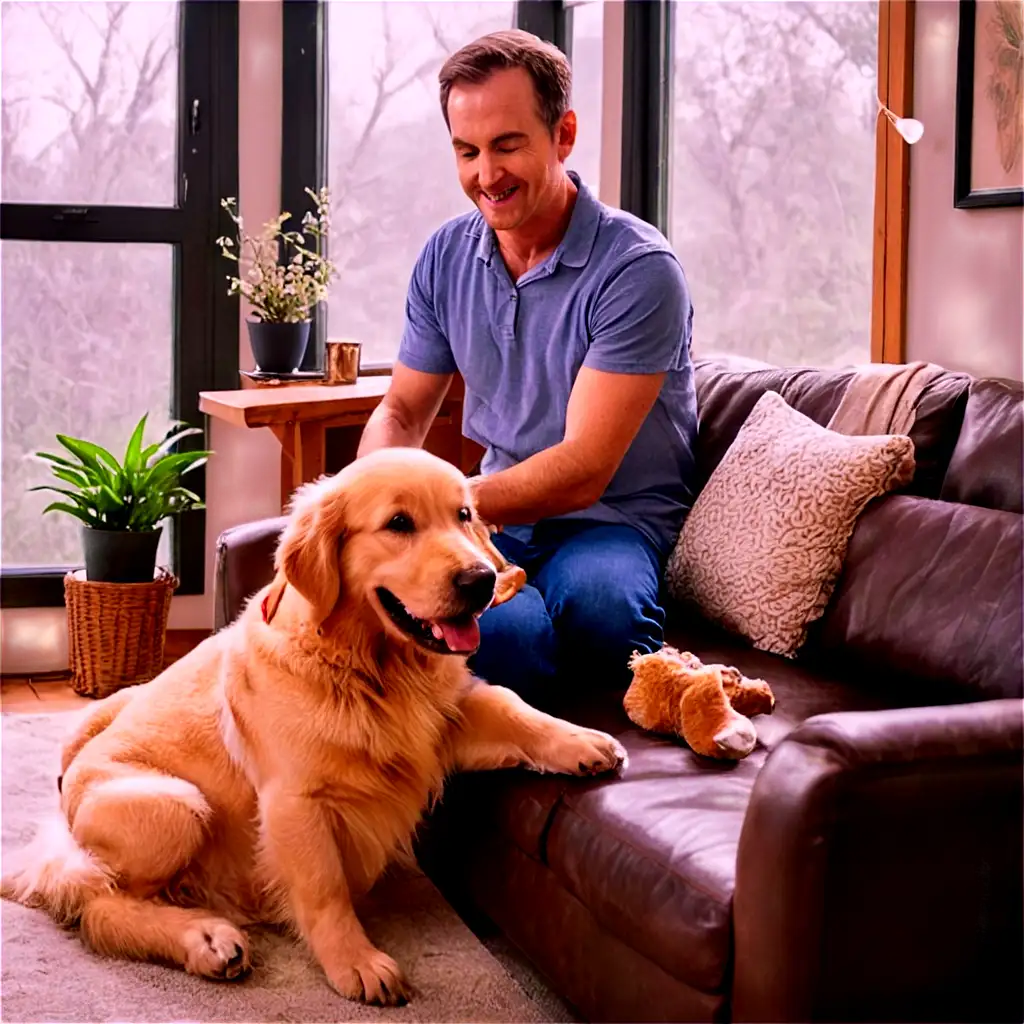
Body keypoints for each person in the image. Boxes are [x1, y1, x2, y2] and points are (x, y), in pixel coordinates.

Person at [357, 28, 698, 708]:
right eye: (468, 151)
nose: (487, 175)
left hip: (610, 520)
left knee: (607, 620)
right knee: (496, 637)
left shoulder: (637, 270)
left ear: (563, 134)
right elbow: (400, 411)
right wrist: (368, 501)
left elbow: (582, 469)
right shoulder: (444, 258)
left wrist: (435, 513)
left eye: (508, 145)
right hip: (492, 525)